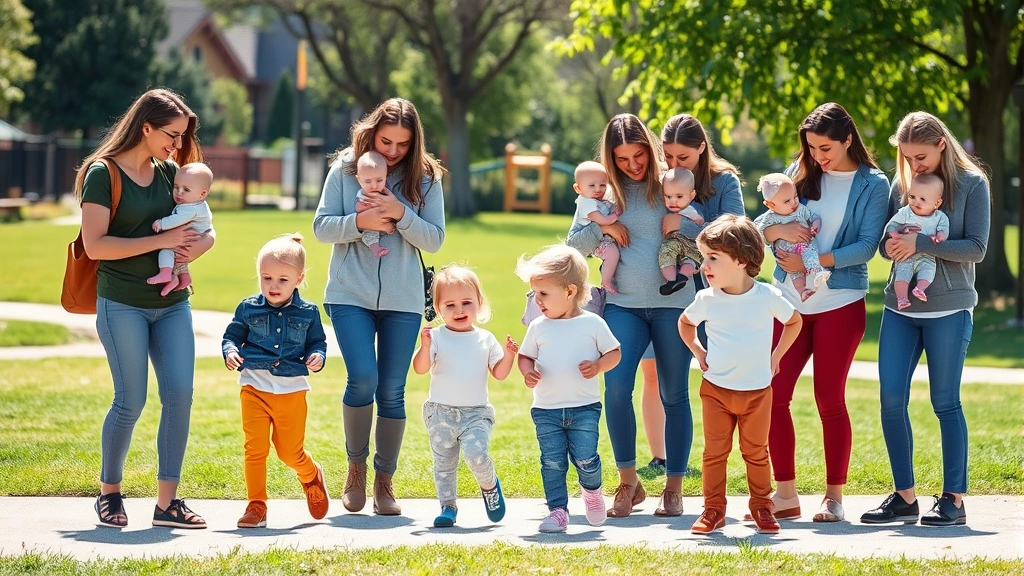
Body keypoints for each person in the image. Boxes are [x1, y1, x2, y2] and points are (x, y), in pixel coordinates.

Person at [79, 88, 215, 529]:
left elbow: (205, 229)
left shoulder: (171, 174)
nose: (177, 145)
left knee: (180, 395)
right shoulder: (104, 174)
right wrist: (162, 241)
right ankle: (110, 493)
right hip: (122, 303)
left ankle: (167, 504)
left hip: (172, 304)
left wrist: (194, 253)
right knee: (130, 400)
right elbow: (95, 245)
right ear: (146, 127)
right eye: (171, 135)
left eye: (180, 137)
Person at [313, 97, 445, 516]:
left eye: (402, 144)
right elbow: (321, 227)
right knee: (363, 379)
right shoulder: (346, 169)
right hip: (349, 294)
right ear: (372, 132)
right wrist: (360, 224)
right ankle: (355, 473)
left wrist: (399, 214)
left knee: (392, 390)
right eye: (386, 141)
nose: (392, 151)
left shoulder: (426, 178)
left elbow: (435, 239)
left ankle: (384, 483)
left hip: (403, 300)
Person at [758, 102, 889, 523]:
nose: (818, 156)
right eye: (812, 148)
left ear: (848, 138)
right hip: (788, 303)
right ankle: (786, 494)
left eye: (826, 147)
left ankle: (833, 497)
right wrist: (778, 234)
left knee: (829, 399)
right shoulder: (799, 172)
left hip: (841, 302)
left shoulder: (873, 184)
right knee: (774, 394)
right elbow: (761, 224)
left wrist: (816, 264)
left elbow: (868, 246)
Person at [861, 111, 990, 527]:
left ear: (941, 145)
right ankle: (905, 497)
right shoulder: (905, 184)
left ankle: (953, 499)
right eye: (907, 157)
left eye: (921, 156)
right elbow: (887, 243)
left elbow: (977, 248)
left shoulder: (973, 185)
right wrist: (893, 244)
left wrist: (921, 243)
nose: (914, 166)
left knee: (944, 402)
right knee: (890, 400)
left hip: (950, 309)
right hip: (901, 310)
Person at [566, 114, 695, 518]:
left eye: (639, 155)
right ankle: (628, 482)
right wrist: (608, 226)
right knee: (617, 390)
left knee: (674, 394)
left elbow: (706, 234)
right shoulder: (605, 196)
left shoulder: (671, 185)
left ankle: (673, 487)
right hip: (624, 307)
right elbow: (574, 244)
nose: (633, 165)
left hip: (674, 306)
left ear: (650, 149)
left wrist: (682, 226)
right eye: (621, 159)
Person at [679, 215, 802, 535]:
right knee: (714, 453)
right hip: (716, 390)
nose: (704, 265)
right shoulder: (706, 299)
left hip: (757, 393)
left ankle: (762, 507)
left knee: (756, 454)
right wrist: (697, 350)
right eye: (703, 257)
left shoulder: (766, 297)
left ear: (742, 260)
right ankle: (713, 510)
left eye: (713, 258)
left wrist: (777, 356)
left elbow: (794, 322)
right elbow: (685, 323)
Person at [222, 234, 329, 529]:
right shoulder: (248, 308)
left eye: (283, 279)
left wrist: (317, 357)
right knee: (255, 448)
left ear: (299, 278)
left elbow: (317, 343)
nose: (273, 286)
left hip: (291, 390)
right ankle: (257, 505)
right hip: (253, 387)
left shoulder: (308, 313)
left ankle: (310, 475)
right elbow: (232, 336)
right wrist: (230, 351)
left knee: (289, 452)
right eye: (266, 277)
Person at [516, 244, 620, 533]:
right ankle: (558, 511)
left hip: (584, 408)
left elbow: (614, 353)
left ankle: (592, 491)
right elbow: (525, 355)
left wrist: (598, 366)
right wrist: (528, 372)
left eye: (543, 294)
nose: (537, 301)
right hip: (546, 410)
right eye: (535, 294)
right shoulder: (538, 326)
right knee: (551, 462)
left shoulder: (592, 323)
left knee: (586, 459)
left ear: (570, 291)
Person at [411, 265, 519, 528]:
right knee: (444, 465)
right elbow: (420, 368)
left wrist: (510, 355)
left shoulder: (485, 338)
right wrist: (424, 347)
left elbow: (499, 374)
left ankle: (489, 484)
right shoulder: (436, 337)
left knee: (476, 454)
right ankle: (448, 507)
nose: (459, 310)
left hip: (475, 414)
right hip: (440, 413)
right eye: (450, 305)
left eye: (466, 302)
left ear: (479, 303)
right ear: (438, 309)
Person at [753, 173, 829, 301]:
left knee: (810, 253)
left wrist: (816, 224)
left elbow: (813, 216)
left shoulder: (800, 209)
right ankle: (802, 292)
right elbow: (757, 232)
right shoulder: (769, 217)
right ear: (771, 205)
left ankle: (818, 272)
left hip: (804, 246)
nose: (794, 203)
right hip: (786, 255)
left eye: (795, 196)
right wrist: (777, 231)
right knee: (796, 275)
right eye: (787, 201)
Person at [882, 173, 949, 310]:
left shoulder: (939, 217)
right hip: (905, 256)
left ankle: (920, 288)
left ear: (937, 203)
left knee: (929, 271)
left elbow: (943, 230)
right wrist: (893, 234)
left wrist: (940, 237)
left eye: (923, 199)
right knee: (902, 274)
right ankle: (902, 298)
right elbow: (892, 224)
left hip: (927, 256)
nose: (916, 202)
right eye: (912, 197)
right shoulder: (906, 212)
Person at [147, 162, 214, 296]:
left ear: (202, 194)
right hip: (196, 237)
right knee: (179, 262)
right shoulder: (199, 204)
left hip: (188, 240)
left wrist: (161, 223)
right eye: (176, 187)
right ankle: (182, 279)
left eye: (186, 190)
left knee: (166, 252)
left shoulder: (189, 208)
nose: (179, 192)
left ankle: (165, 274)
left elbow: (176, 220)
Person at [568, 161, 621, 293]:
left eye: (602, 185)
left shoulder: (596, 200)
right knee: (612, 253)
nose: (598, 189)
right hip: (582, 236)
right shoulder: (586, 202)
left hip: (596, 236)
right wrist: (616, 215)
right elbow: (601, 220)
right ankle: (606, 281)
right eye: (592, 185)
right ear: (578, 189)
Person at [658, 167, 705, 295]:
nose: (673, 201)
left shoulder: (691, 211)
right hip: (691, 247)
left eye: (679, 196)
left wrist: (682, 223)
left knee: (666, 252)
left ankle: (672, 280)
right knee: (690, 260)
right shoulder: (679, 209)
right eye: (668, 196)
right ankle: (680, 278)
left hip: (684, 242)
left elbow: (700, 226)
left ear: (691, 196)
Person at [354, 151, 391, 258]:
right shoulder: (363, 194)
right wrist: (365, 206)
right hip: (368, 224)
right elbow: (357, 207)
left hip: (383, 220)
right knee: (370, 235)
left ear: (386, 176)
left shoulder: (386, 193)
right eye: (368, 181)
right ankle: (376, 249)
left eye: (379, 180)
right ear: (359, 180)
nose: (374, 185)